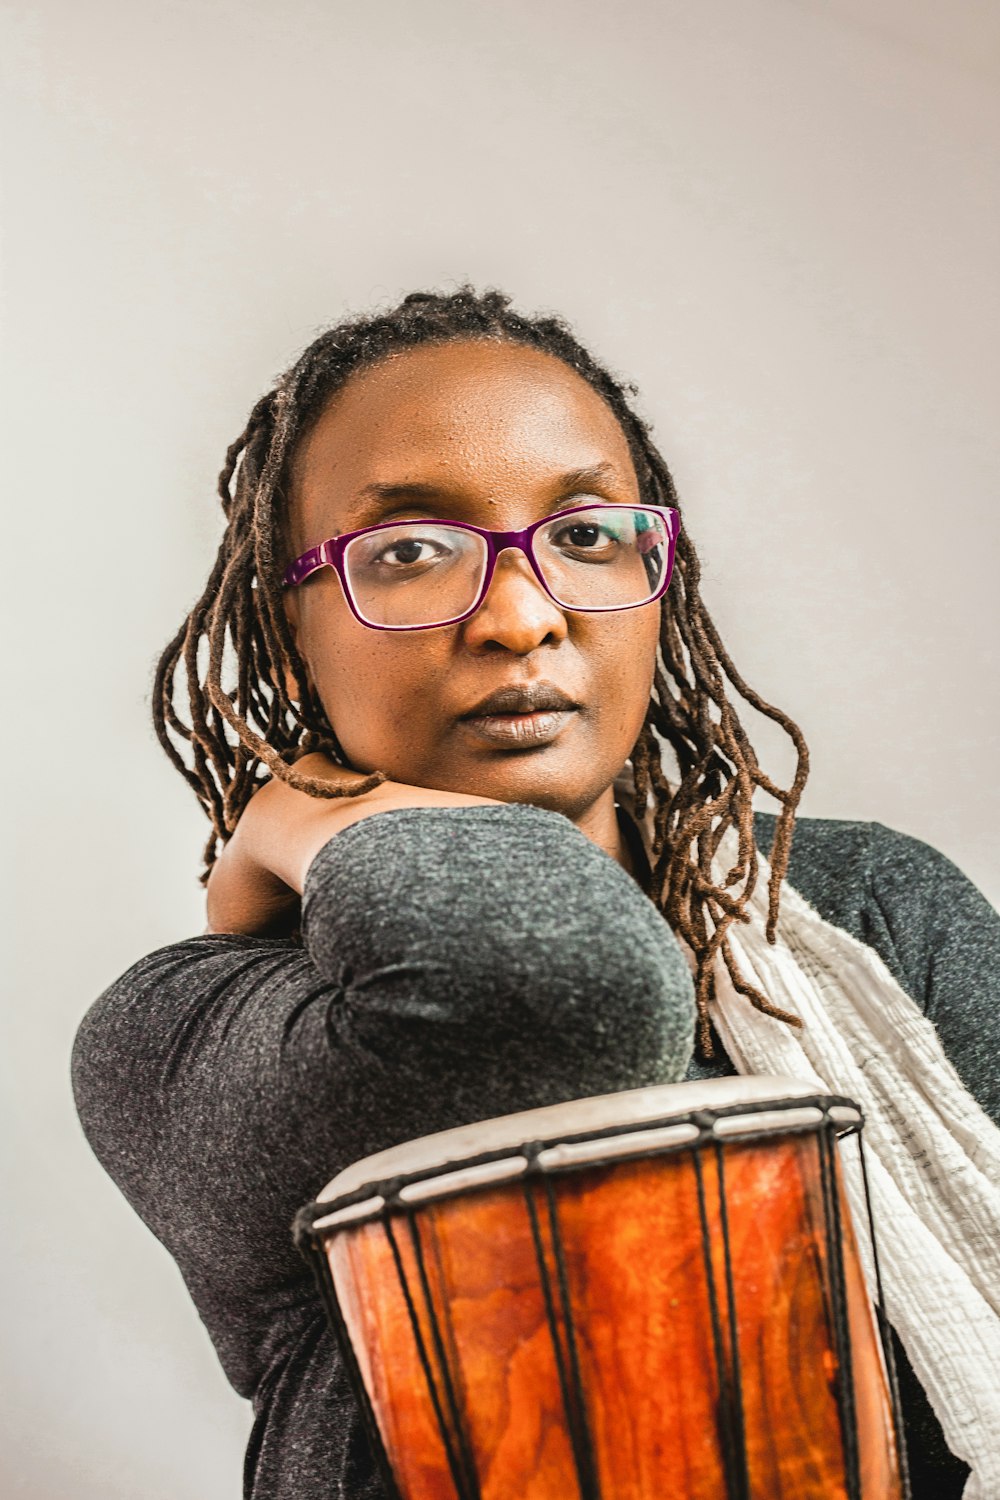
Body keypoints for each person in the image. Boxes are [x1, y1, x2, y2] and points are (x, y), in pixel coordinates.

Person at [72, 287, 999, 1499]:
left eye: (585, 535)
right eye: (407, 552)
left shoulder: (856, 909)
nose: (521, 617)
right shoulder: (191, 1030)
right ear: (291, 624)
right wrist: (318, 809)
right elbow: (560, 986)